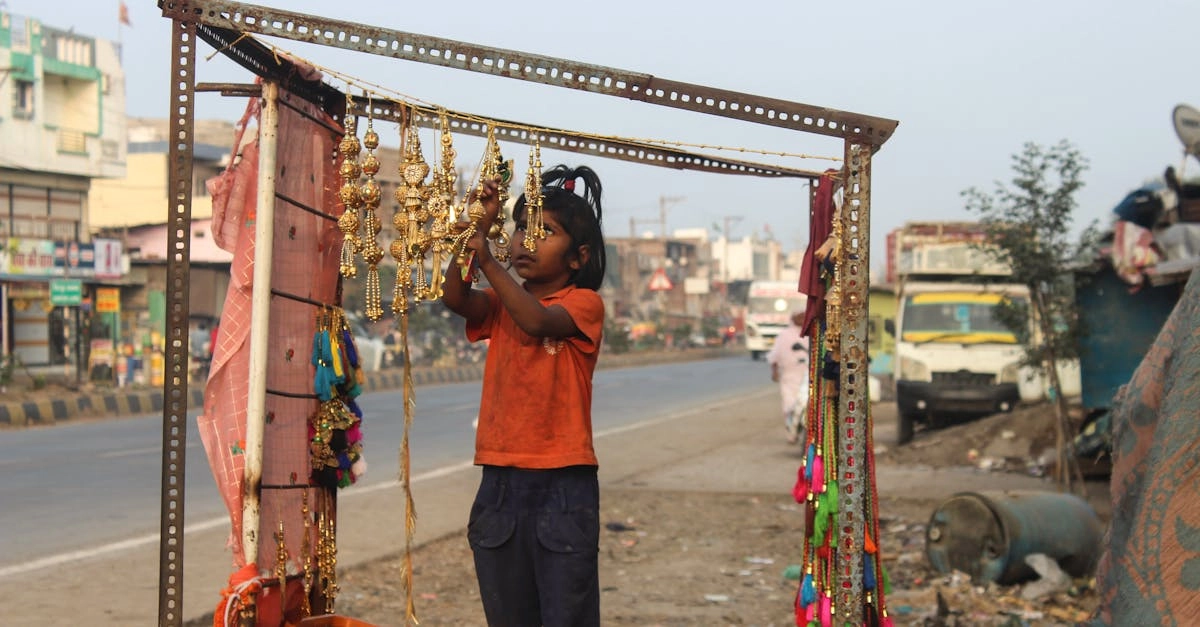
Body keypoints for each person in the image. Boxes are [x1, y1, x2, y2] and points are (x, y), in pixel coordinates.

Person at [442, 164, 607, 626]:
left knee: (565, 615)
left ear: (578, 257)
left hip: (563, 484)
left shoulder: (582, 303)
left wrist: (490, 262)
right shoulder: (499, 304)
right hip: (500, 481)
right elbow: (454, 298)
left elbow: (536, 321)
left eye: (545, 232)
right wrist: (475, 230)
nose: (525, 242)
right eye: (520, 230)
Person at [767, 309, 810, 444]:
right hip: (789, 375)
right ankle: (791, 433)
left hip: (808, 373)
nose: (801, 320)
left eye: (804, 317)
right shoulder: (784, 335)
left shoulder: (811, 334)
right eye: (799, 317)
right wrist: (774, 371)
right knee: (789, 404)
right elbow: (775, 355)